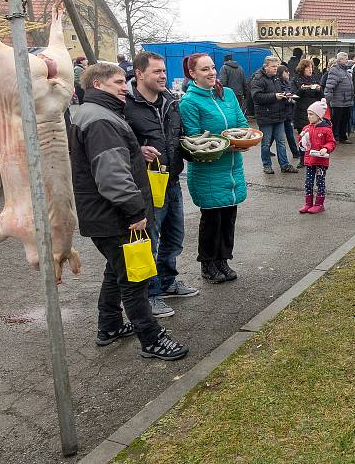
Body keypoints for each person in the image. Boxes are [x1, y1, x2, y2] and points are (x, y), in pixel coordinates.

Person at [68, 62, 188, 360]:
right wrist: (135, 212)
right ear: (98, 84)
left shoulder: (95, 114)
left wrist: (138, 152)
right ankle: (151, 339)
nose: (126, 86)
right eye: (119, 82)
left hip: (103, 215)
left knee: (116, 270)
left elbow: (108, 159)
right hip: (116, 216)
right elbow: (111, 176)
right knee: (136, 279)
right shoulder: (101, 120)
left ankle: (108, 326)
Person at [124, 51, 198, 318]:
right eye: (157, 71)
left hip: (172, 180)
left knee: (174, 237)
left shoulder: (170, 100)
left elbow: (178, 137)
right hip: (144, 185)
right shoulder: (125, 104)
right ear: (140, 73)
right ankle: (150, 294)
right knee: (150, 240)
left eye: (164, 71)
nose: (163, 75)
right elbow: (117, 143)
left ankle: (167, 281)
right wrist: (138, 152)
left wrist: (196, 145)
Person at [179, 53, 250, 284]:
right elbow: (195, 138)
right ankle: (208, 265)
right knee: (212, 220)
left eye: (212, 68)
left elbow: (242, 125)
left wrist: (238, 140)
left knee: (229, 217)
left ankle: (223, 260)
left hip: (232, 168)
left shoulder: (227, 94)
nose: (211, 73)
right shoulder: (189, 102)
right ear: (192, 74)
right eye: (204, 69)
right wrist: (229, 143)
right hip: (208, 170)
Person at [251, 56, 298, 174]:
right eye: (273, 66)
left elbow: (280, 91)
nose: (275, 69)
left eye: (276, 66)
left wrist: (286, 95)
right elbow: (256, 97)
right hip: (265, 116)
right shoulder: (258, 78)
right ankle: (267, 165)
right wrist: (274, 96)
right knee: (266, 143)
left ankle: (285, 165)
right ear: (265, 67)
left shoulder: (276, 78)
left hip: (279, 114)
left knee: (281, 142)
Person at [298, 99, 336, 214]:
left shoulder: (326, 129)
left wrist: (326, 148)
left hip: (320, 162)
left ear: (319, 116)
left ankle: (319, 204)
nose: (308, 116)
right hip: (309, 161)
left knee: (320, 182)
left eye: (311, 114)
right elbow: (301, 142)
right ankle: (308, 203)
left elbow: (332, 142)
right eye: (308, 114)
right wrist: (301, 140)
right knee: (308, 182)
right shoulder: (306, 128)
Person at [291, 58, 323, 168]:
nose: (310, 70)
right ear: (302, 68)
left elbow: (321, 96)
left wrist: (319, 89)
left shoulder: (314, 78)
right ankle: (302, 159)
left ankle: (313, 159)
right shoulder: (296, 79)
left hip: (314, 112)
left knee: (315, 137)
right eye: (308, 68)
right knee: (303, 137)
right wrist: (302, 89)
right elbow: (294, 96)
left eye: (311, 68)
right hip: (301, 112)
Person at [323, 52, 354, 143]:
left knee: (344, 120)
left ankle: (342, 137)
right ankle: (333, 137)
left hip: (346, 101)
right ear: (340, 60)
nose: (347, 60)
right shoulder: (335, 70)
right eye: (346, 59)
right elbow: (330, 85)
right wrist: (327, 99)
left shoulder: (345, 70)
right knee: (336, 121)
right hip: (338, 101)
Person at [276, 65, 301, 159]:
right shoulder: (278, 84)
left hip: (288, 112)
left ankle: (295, 152)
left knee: (288, 133)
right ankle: (295, 152)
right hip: (282, 112)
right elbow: (281, 98)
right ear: (281, 73)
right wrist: (290, 99)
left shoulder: (287, 83)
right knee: (284, 135)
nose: (288, 73)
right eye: (286, 71)